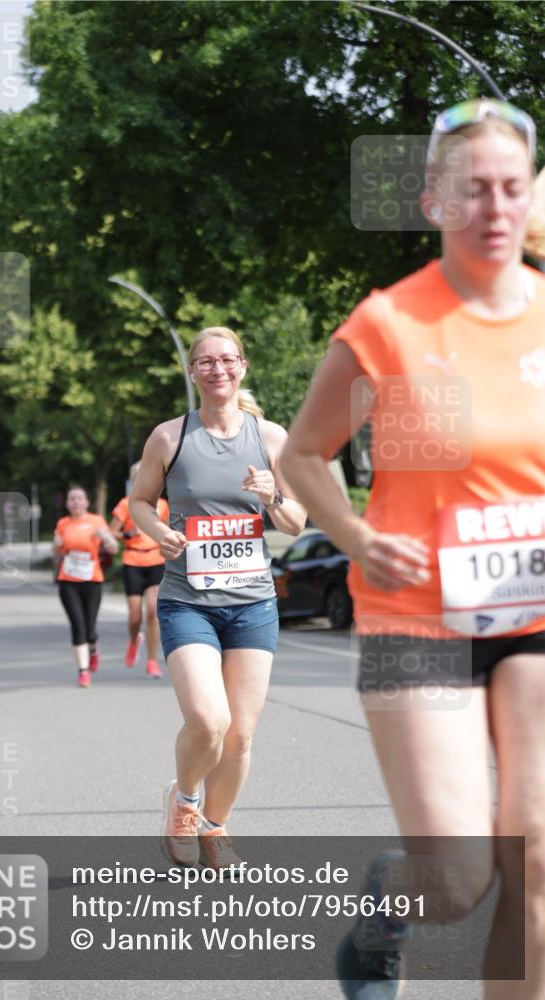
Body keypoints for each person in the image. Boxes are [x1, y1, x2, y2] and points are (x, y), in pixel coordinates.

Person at [281, 98, 545, 999]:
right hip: (415, 620)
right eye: (472, 189)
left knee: (535, 855)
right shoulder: (388, 324)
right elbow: (303, 455)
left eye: (510, 188)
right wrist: (355, 536)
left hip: (531, 614)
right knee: (458, 880)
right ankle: (387, 909)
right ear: (433, 200)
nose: (493, 208)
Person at [130, 327, 306, 869]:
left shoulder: (271, 438)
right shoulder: (169, 437)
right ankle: (184, 802)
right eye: (206, 362)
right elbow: (139, 502)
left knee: (241, 735)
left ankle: (215, 826)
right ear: (193, 372)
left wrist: (272, 496)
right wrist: (160, 532)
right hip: (188, 600)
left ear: (242, 367)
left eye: (227, 360)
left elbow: (296, 523)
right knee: (210, 721)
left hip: (253, 604)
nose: (217, 369)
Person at [53, 486, 118, 687]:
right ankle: (83, 670)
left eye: (79, 498)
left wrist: (105, 537)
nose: (76, 502)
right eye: (72, 499)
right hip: (68, 581)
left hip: (92, 580)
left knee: (90, 629)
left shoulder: (96, 521)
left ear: (87, 502)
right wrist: (56, 544)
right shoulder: (63, 524)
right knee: (77, 625)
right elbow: (57, 552)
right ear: (67, 503)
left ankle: (93, 650)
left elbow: (114, 548)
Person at [110, 462, 170, 679]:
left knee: (153, 610)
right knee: (135, 616)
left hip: (155, 559)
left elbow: (169, 529)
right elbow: (111, 532)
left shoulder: (162, 505)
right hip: (133, 561)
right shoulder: (126, 504)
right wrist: (129, 534)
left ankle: (152, 661)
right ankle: (134, 640)